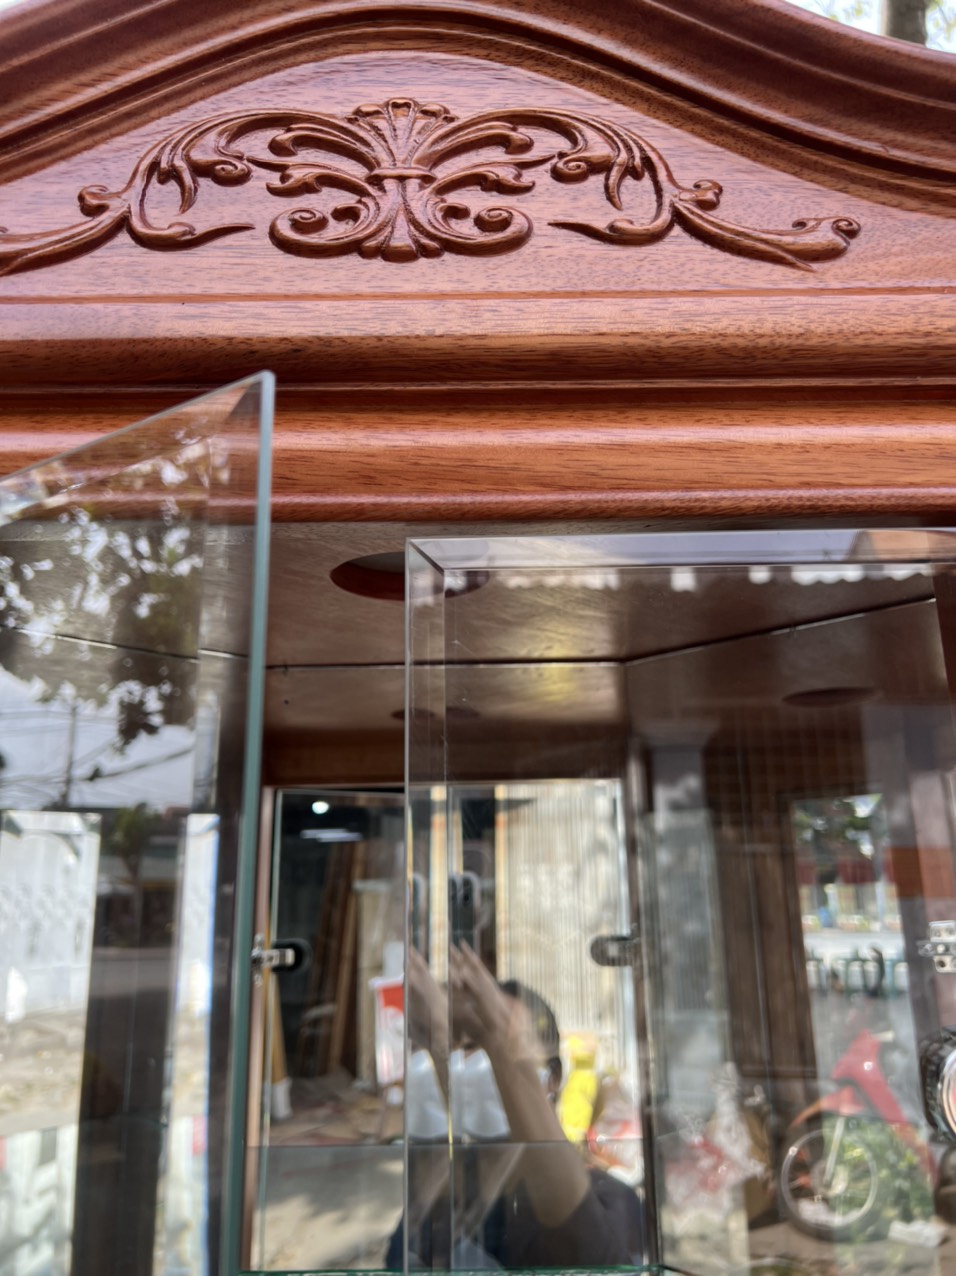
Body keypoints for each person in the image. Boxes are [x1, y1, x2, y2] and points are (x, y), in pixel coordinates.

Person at [390, 943, 644, 1270]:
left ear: (553, 1078)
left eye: (505, 1045)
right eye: (467, 1046)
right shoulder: (449, 1201)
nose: (479, 1063)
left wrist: (497, 1040)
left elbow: (587, 1253)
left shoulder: (615, 1201)